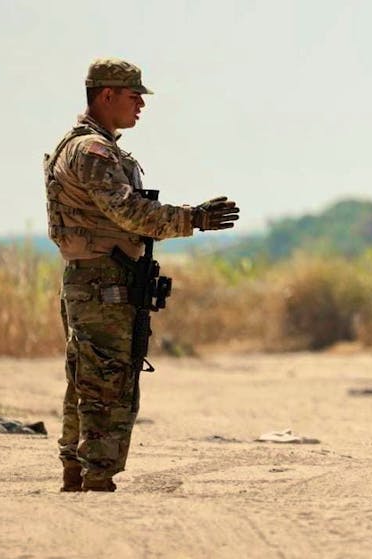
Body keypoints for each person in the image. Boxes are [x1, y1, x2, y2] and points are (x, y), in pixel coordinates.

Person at [46, 58, 240, 492]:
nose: (141, 105)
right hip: (101, 283)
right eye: (133, 96)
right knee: (107, 379)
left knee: (89, 374)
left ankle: (79, 469)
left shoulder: (96, 147)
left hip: (98, 279)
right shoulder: (90, 151)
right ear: (106, 95)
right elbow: (129, 212)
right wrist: (195, 219)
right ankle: (96, 474)